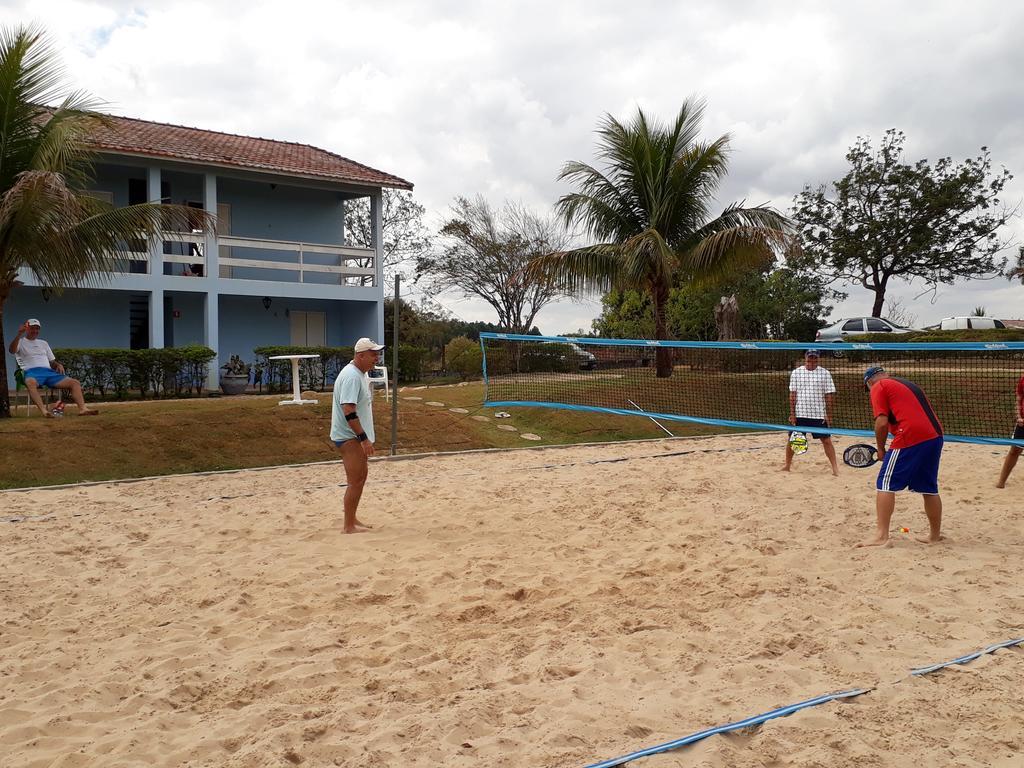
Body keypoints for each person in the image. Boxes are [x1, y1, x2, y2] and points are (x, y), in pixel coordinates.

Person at [859, 366, 943, 547]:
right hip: (935, 435)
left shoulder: (878, 386)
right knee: (929, 487)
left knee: (885, 482)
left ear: (869, 381)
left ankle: (881, 535)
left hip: (911, 434)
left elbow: (881, 423)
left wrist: (881, 449)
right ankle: (934, 536)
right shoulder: (907, 384)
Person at [330, 337, 384, 534]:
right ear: (360, 356)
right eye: (373, 354)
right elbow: (348, 411)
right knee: (355, 481)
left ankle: (352, 518)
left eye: (377, 353)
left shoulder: (359, 373)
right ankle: (348, 526)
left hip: (352, 436)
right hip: (349, 437)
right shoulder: (352, 376)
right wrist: (364, 439)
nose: (376, 358)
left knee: (360, 478)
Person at [8, 319, 98, 417]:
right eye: (32, 328)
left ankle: (83, 409)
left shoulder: (44, 343)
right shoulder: (20, 341)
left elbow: (51, 361)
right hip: (32, 372)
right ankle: (45, 412)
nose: (35, 331)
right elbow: (12, 350)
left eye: (37, 329)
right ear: (27, 329)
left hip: (49, 372)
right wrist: (18, 334)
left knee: (75, 383)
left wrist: (58, 364)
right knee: (30, 382)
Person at [783, 349, 839, 475]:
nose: (812, 360)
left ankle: (835, 468)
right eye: (810, 357)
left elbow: (829, 395)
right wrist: (792, 414)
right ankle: (787, 465)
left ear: (818, 358)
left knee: (826, 440)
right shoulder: (797, 373)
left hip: (818, 414)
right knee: (793, 440)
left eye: (815, 357)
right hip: (800, 413)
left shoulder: (825, 373)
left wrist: (829, 415)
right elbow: (792, 394)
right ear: (805, 357)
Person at [995, 372, 1024, 488]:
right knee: (1014, 451)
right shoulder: (1023, 380)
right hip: (1022, 424)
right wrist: (1019, 417)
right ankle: (1001, 482)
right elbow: (1019, 399)